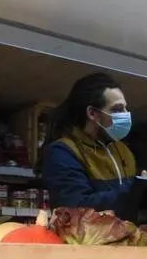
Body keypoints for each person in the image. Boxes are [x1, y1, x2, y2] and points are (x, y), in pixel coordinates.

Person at [39, 72, 137, 211]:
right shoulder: (63, 152)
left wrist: (146, 189)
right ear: (92, 113)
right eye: (117, 109)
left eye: (125, 108)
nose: (126, 114)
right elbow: (76, 207)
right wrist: (134, 191)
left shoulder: (123, 150)